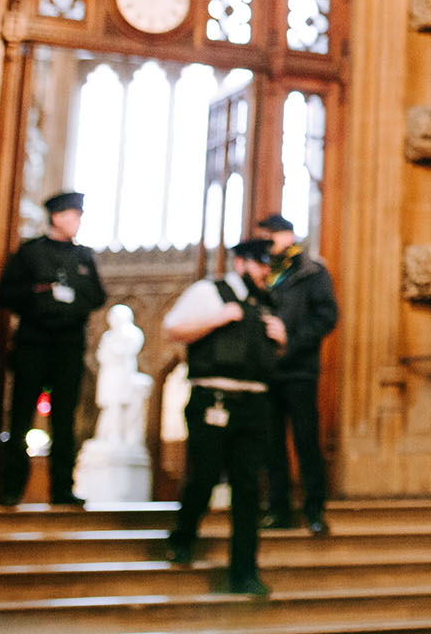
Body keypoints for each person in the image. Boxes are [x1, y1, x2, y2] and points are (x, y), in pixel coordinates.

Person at [163, 237, 287, 596]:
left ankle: (244, 572)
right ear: (241, 263)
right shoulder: (209, 292)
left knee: (248, 490)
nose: (266, 271)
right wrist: (218, 318)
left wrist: (281, 339)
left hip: (255, 405)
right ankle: (182, 538)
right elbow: (173, 329)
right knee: (202, 477)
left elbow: (263, 356)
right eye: (261, 263)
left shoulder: (267, 303)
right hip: (212, 400)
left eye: (269, 265)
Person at [0, 190, 106, 507]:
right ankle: (12, 487)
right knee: (21, 415)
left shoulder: (83, 257)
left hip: (68, 345)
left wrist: (71, 303)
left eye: (79, 217)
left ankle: (62, 488)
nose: (77, 222)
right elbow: (3, 294)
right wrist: (39, 296)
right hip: (34, 342)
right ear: (57, 217)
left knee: (65, 417)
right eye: (72, 216)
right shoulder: (31, 253)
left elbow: (97, 296)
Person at [254, 213, 338, 534]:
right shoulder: (263, 272)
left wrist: (290, 337)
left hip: (299, 370)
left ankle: (314, 510)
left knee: (306, 441)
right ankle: (278, 509)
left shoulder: (311, 271)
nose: (266, 245)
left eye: (269, 238)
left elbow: (327, 316)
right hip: (267, 371)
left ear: (286, 236)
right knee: (271, 444)